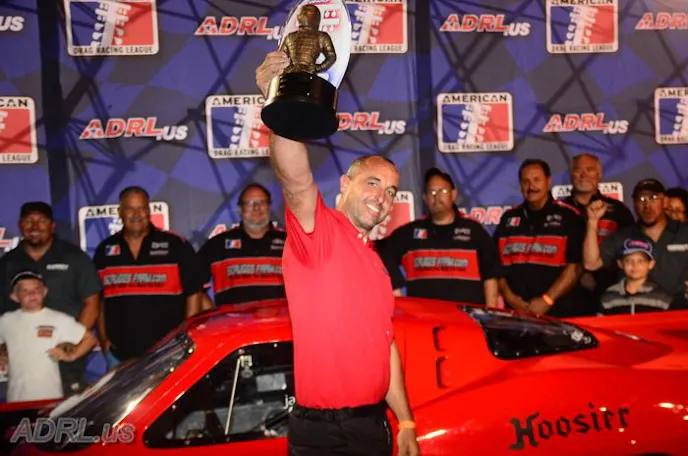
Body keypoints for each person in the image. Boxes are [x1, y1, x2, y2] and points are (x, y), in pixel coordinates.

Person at [256, 51, 420, 456]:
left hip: (373, 425)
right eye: (373, 183)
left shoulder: (376, 262)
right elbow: (295, 178)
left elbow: (385, 345)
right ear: (346, 183)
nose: (382, 197)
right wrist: (279, 99)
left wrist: (406, 420)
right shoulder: (320, 231)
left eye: (391, 191)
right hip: (323, 433)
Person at [93, 187, 205, 369]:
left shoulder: (175, 245)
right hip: (119, 355)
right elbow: (98, 300)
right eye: (130, 209)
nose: (137, 214)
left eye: (142, 208)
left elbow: (194, 293)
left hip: (169, 352)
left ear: (149, 211)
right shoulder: (105, 250)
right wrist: (103, 338)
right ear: (120, 212)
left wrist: (187, 334)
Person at [0, 202, 102, 395]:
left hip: (63, 357)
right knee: (25, 408)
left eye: (41, 221)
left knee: (68, 409)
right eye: (28, 221)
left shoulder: (74, 257)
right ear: (20, 226)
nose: (35, 226)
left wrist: (71, 341)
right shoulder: (7, 263)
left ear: (52, 225)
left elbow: (92, 302)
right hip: (23, 362)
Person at [376, 167, 500, 306]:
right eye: (432, 192)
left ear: (454, 194)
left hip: (466, 317)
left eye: (443, 191)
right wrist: (395, 288)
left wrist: (490, 313)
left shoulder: (474, 231)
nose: (437, 197)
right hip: (423, 317)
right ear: (425, 198)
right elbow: (381, 251)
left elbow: (491, 277)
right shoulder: (410, 233)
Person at [493, 159, 589, 317]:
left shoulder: (569, 216)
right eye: (526, 181)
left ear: (548, 181)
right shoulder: (508, 218)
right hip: (515, 313)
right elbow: (496, 266)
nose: (531, 186)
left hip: (558, 312)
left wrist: (547, 300)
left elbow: (575, 267)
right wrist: (509, 297)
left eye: (536, 180)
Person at [584, 178, 688, 309]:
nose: (647, 205)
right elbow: (591, 264)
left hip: (680, 313)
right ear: (634, 203)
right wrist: (593, 222)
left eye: (654, 198)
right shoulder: (623, 236)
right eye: (641, 199)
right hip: (635, 314)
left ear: (665, 201)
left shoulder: (684, 233)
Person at [0, 271, 96, 402]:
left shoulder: (59, 319)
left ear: (44, 292)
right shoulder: (6, 321)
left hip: (49, 394)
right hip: (16, 396)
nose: (32, 294)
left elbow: (89, 339)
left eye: (37, 289)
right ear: (15, 296)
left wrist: (71, 356)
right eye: (25, 291)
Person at [562, 153, 635, 307]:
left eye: (589, 170)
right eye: (578, 170)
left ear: (599, 175)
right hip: (566, 296)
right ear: (571, 175)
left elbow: (630, 253)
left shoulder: (618, 211)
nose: (583, 175)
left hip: (611, 293)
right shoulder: (559, 211)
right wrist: (578, 274)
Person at [199, 183, 286, 306]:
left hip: (280, 318)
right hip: (232, 318)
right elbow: (193, 286)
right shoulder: (218, 244)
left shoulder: (289, 243)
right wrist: (214, 314)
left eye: (262, 202)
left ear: (269, 207)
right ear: (240, 209)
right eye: (250, 203)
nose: (256, 208)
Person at [599, 237, 674, 315]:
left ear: (651, 264)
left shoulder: (662, 298)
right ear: (620, 263)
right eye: (628, 261)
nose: (635, 265)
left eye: (641, 261)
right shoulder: (609, 297)